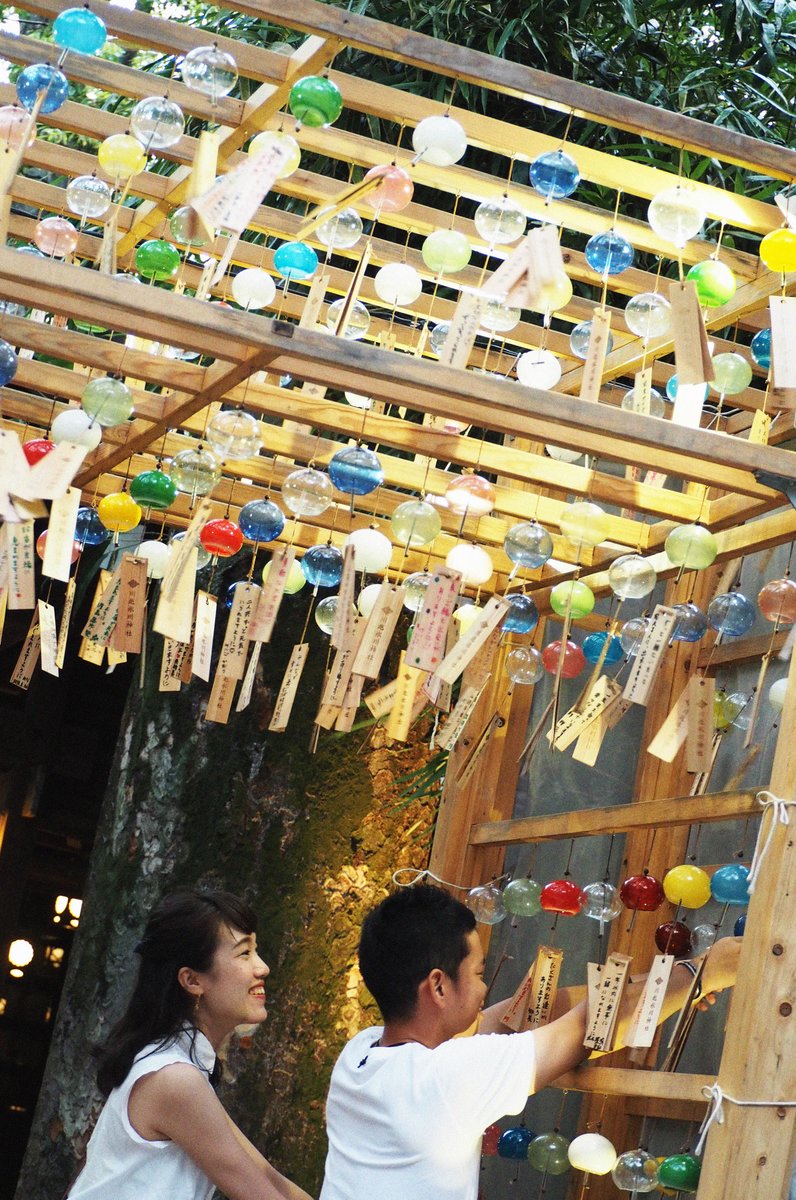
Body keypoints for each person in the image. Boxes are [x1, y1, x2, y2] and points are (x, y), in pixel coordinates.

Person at [320, 883, 740, 1200]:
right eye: (479, 973)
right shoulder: (447, 1079)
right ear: (439, 987)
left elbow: (512, 1018)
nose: (485, 988)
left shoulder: (360, 1054)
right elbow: (586, 1025)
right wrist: (703, 971)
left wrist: (663, 983)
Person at [68, 888, 313, 1200]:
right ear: (192, 980)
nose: (262, 967)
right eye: (244, 953)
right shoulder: (175, 1080)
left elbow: (269, 1179)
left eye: (256, 951)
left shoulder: (179, 1069)